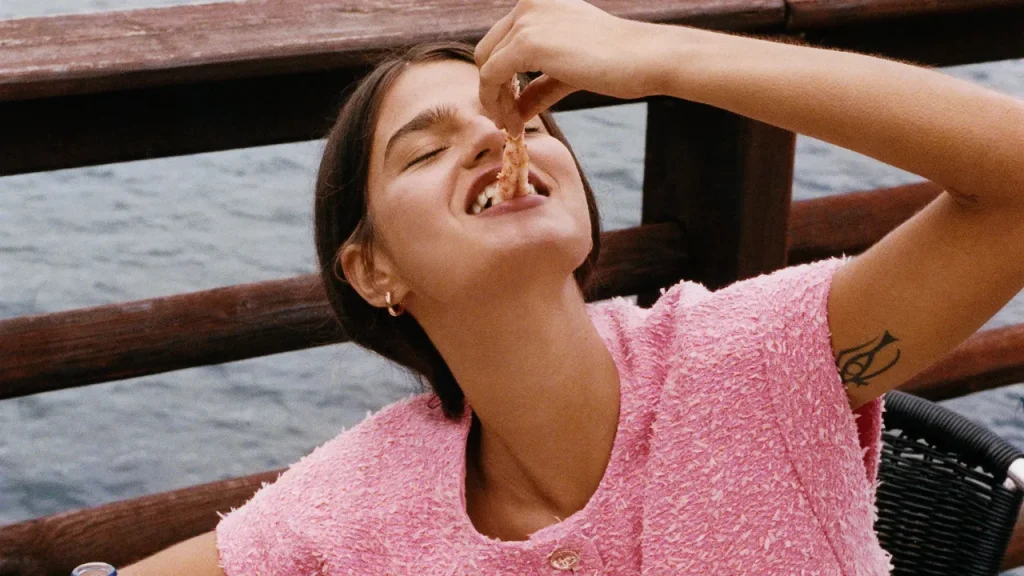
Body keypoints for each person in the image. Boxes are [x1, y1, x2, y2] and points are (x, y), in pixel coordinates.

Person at [120, 0, 1024, 574]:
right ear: (372, 271)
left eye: (526, 120)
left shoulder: (752, 359)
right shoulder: (361, 498)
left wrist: (660, 57)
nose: (495, 137)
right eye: (426, 151)